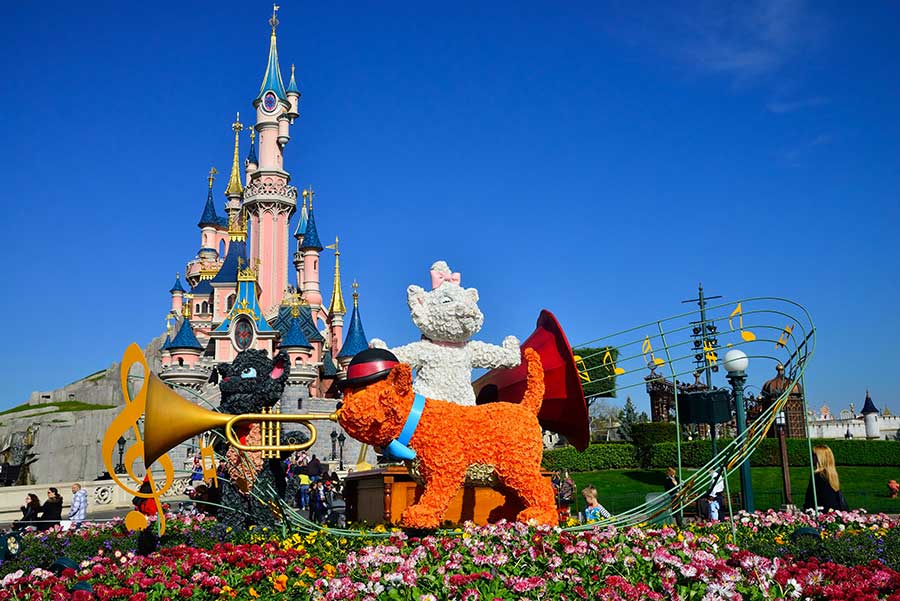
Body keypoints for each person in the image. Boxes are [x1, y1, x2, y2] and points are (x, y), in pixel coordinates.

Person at [804, 445, 848, 512]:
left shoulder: (818, 476)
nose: (811, 457)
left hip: (821, 512)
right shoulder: (832, 475)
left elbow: (811, 497)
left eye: (814, 455)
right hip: (835, 511)